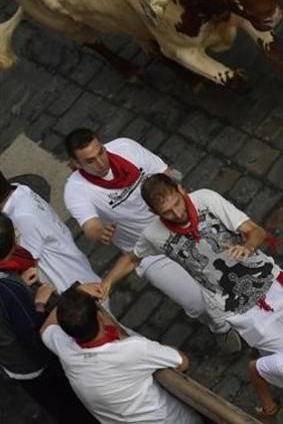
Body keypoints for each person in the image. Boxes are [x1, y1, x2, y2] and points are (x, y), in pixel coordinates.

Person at [88, 174, 283, 353]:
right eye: (167, 212)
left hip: (270, 282)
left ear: (181, 190)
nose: (177, 213)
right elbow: (133, 257)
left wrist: (247, 246)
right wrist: (107, 282)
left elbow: (255, 230)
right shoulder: (153, 234)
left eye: (177, 204)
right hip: (236, 310)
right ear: (154, 213)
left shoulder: (206, 199)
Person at [61, 129, 234, 350]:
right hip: (147, 252)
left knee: (225, 270)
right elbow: (90, 226)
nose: (100, 162)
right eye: (90, 161)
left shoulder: (125, 146)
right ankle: (219, 326)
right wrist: (99, 231)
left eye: (101, 152)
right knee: (197, 303)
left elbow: (167, 175)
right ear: (75, 164)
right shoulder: (75, 190)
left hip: (178, 225)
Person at [40, 285, 201, 424]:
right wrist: (78, 290)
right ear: (99, 316)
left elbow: (45, 329)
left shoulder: (65, 347)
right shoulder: (132, 349)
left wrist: (75, 294)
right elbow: (182, 362)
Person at [0, 215, 98, 423]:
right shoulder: (9, 290)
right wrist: (39, 303)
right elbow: (34, 336)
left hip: (10, 360)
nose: (18, 233)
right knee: (71, 407)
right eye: (13, 234)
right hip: (35, 366)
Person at [0, 170, 100, 295]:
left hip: (69, 284)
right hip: (75, 271)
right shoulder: (20, 191)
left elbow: (28, 263)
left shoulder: (20, 218)